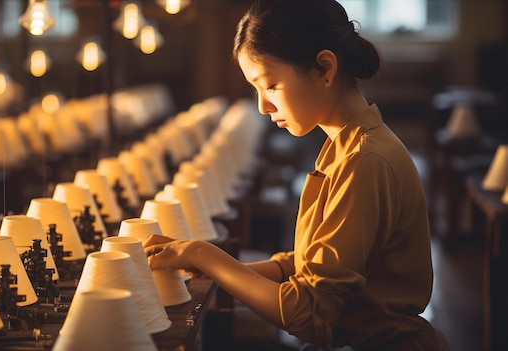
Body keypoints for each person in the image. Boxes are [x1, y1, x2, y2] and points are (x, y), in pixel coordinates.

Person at [145, 0, 447, 349]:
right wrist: (211, 263)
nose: (262, 106)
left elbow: (309, 313)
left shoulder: (365, 160)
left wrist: (205, 255)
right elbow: (312, 267)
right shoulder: (345, 145)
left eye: (270, 85)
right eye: (256, 89)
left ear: (325, 68)